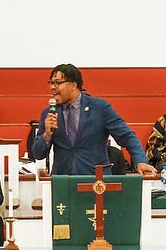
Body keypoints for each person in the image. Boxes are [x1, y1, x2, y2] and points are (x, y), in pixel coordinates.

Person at [29, 64, 157, 176]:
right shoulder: (49, 113)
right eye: (51, 83)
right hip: (63, 180)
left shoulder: (100, 108)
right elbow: (37, 154)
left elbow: (126, 136)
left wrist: (140, 160)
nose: (53, 87)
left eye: (58, 83)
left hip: (96, 180)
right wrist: (46, 135)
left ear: (73, 84)